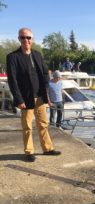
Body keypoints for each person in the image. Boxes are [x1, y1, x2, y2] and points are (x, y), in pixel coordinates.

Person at [6, 27, 61, 162]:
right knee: (27, 126)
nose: (26, 40)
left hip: (40, 96)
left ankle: (47, 149)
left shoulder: (37, 54)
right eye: (23, 37)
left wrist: (47, 92)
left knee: (43, 124)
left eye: (28, 38)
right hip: (26, 98)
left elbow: (44, 73)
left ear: (32, 39)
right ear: (19, 39)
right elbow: (12, 80)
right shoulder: (13, 57)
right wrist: (18, 99)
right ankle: (29, 151)